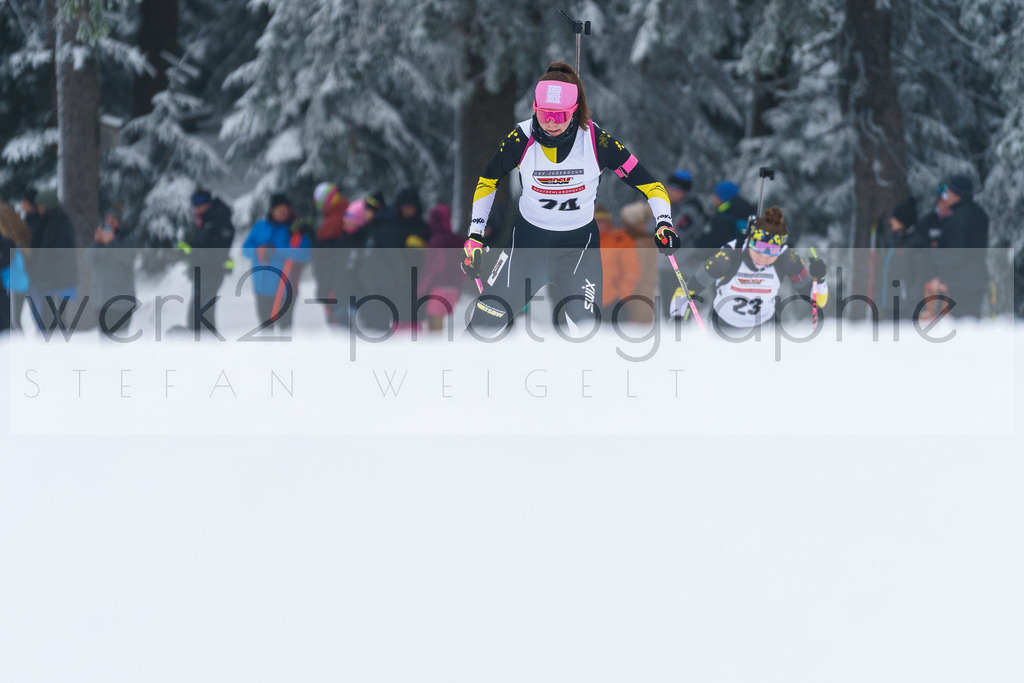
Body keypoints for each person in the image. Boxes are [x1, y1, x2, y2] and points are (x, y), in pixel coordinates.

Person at [461, 61, 677, 335]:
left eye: (560, 115)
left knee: (585, 333)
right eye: (545, 114)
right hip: (527, 246)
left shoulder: (597, 141)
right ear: (535, 108)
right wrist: (475, 235)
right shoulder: (521, 138)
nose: (551, 122)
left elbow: (652, 186)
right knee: (483, 327)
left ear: (574, 111)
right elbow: (487, 182)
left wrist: (664, 223)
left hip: (579, 250)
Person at [670, 206, 827, 331]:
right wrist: (678, 316)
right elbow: (687, 290)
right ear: (749, 241)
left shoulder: (787, 258)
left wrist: (820, 280)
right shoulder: (728, 257)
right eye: (759, 247)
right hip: (725, 327)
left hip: (765, 329)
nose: (764, 256)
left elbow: (817, 301)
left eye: (772, 250)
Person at [242, 193, 312, 331]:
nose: (282, 212)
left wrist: (276, 251)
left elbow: (305, 253)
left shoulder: (295, 229)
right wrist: (258, 250)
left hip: (286, 287)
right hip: (261, 287)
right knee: (265, 327)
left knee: (285, 327)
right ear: (271, 210)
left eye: (285, 209)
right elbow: (245, 249)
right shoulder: (260, 227)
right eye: (279, 209)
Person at [178, 188, 235, 335]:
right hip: (200, 272)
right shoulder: (202, 221)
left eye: (199, 204)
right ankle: (198, 341)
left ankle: (206, 343)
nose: (196, 209)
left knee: (202, 314)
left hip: (212, 272)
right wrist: (185, 249)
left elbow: (218, 252)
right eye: (194, 205)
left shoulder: (220, 220)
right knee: (197, 314)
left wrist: (192, 252)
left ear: (208, 204)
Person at [935, 174, 990, 318]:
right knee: (972, 320)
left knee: (962, 323)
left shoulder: (958, 218)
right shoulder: (979, 213)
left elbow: (956, 252)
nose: (946, 196)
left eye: (948, 192)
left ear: (957, 194)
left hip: (961, 282)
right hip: (978, 278)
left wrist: (940, 269)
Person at [25, 189, 79, 334]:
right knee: (45, 317)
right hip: (46, 278)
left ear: (47, 205)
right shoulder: (44, 221)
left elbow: (55, 253)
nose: (38, 208)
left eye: (40, 205)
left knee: (54, 320)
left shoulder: (60, 223)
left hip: (56, 279)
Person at [657, 170, 707, 316]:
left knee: (679, 311)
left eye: (671, 187)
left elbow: (675, 234)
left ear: (680, 190)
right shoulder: (673, 205)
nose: (667, 190)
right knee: (669, 307)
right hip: (670, 264)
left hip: (684, 266)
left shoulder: (690, 209)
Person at [83, 206, 137, 335]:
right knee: (105, 339)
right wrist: (96, 242)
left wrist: (112, 242)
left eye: (114, 220)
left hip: (121, 301)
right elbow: (88, 258)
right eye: (108, 220)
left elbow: (128, 258)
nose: (110, 223)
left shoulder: (127, 239)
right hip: (101, 300)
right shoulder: (100, 241)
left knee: (120, 338)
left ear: (120, 223)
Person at [418, 203, 465, 333]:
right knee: (438, 326)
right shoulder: (460, 241)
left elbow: (432, 268)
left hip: (437, 288)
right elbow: (465, 269)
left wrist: (420, 288)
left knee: (434, 327)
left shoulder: (436, 242)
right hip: (454, 288)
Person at [595, 205, 640, 317]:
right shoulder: (583, 240)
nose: (600, 224)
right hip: (587, 301)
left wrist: (622, 294)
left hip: (615, 301)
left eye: (602, 220)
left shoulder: (620, 239)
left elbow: (632, 269)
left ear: (608, 221)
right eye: (596, 221)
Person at [0, 199, 32, 332]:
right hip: (16, 283)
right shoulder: (17, 240)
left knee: (12, 321)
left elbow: (6, 261)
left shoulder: (8, 242)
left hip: (12, 283)